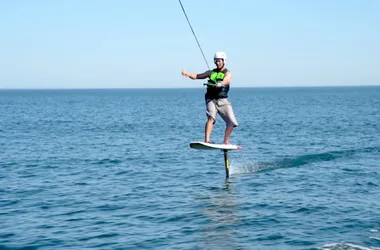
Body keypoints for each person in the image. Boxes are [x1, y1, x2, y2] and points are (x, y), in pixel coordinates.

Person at [181, 52, 238, 145]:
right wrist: (187, 74)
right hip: (211, 99)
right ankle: (207, 140)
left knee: (231, 122)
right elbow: (197, 76)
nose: (217, 63)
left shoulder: (227, 73)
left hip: (222, 100)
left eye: (219, 61)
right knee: (211, 118)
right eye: (216, 61)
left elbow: (227, 80)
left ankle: (226, 141)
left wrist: (221, 83)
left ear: (224, 61)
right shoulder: (210, 72)